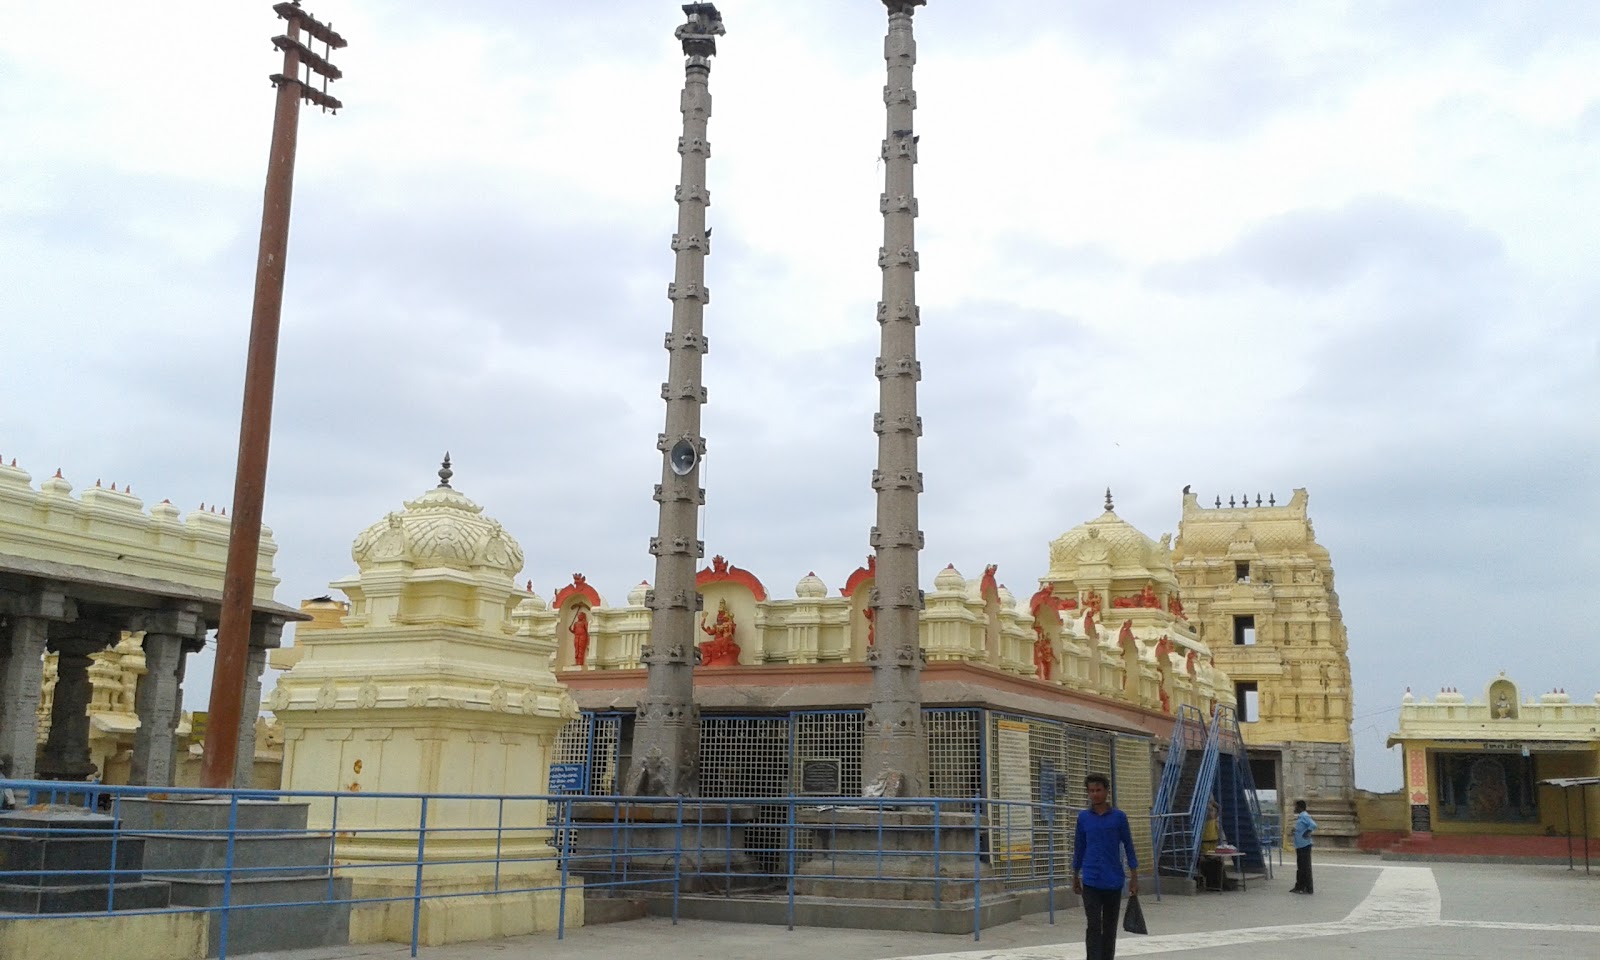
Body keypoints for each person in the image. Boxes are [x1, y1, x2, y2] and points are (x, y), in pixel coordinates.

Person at [1073, 772, 1139, 960]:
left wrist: (1134, 877)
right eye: (1091, 791)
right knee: (1093, 925)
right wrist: (1075, 875)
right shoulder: (1083, 818)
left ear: (1106, 792)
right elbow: (1079, 847)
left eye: (1098, 790)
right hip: (1091, 880)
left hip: (1113, 880)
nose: (1095, 794)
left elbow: (1128, 845)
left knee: (1110, 927)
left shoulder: (1119, 817)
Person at [1291, 799, 1318, 894]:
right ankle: (1299, 886)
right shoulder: (1300, 817)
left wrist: (1307, 833)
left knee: (1305, 867)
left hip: (1304, 845)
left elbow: (1313, 825)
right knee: (1301, 867)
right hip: (1300, 845)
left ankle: (1306, 887)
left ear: (1300, 807)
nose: (1295, 808)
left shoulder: (1305, 816)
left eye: (1296, 806)